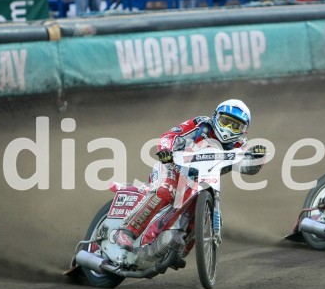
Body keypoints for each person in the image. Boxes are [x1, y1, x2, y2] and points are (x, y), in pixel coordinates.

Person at [114, 99, 267, 257]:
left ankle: (177, 251)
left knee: (203, 214)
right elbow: (170, 135)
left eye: (235, 126)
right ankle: (126, 231)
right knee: (166, 191)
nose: (228, 129)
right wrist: (166, 150)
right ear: (216, 116)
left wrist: (258, 157)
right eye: (226, 122)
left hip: (200, 184)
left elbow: (247, 168)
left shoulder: (240, 145)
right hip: (172, 168)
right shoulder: (200, 124)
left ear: (244, 130)